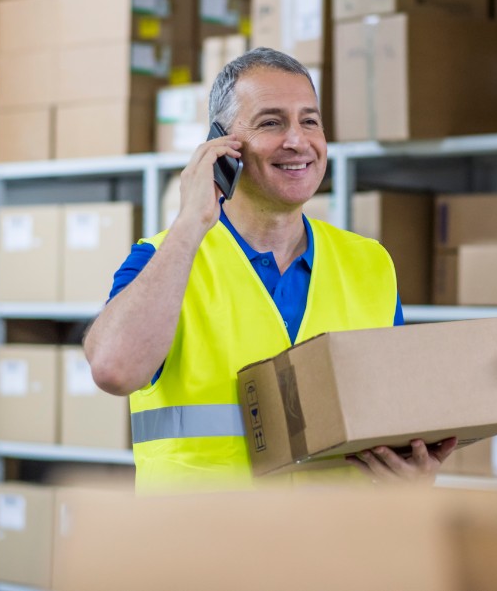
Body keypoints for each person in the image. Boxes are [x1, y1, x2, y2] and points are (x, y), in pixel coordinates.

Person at [83, 47, 456, 490]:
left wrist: (411, 475)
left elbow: (389, 419)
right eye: (271, 122)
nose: (297, 140)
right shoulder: (165, 259)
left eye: (310, 121)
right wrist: (190, 222)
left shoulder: (370, 263)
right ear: (222, 146)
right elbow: (114, 370)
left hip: (332, 550)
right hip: (200, 551)